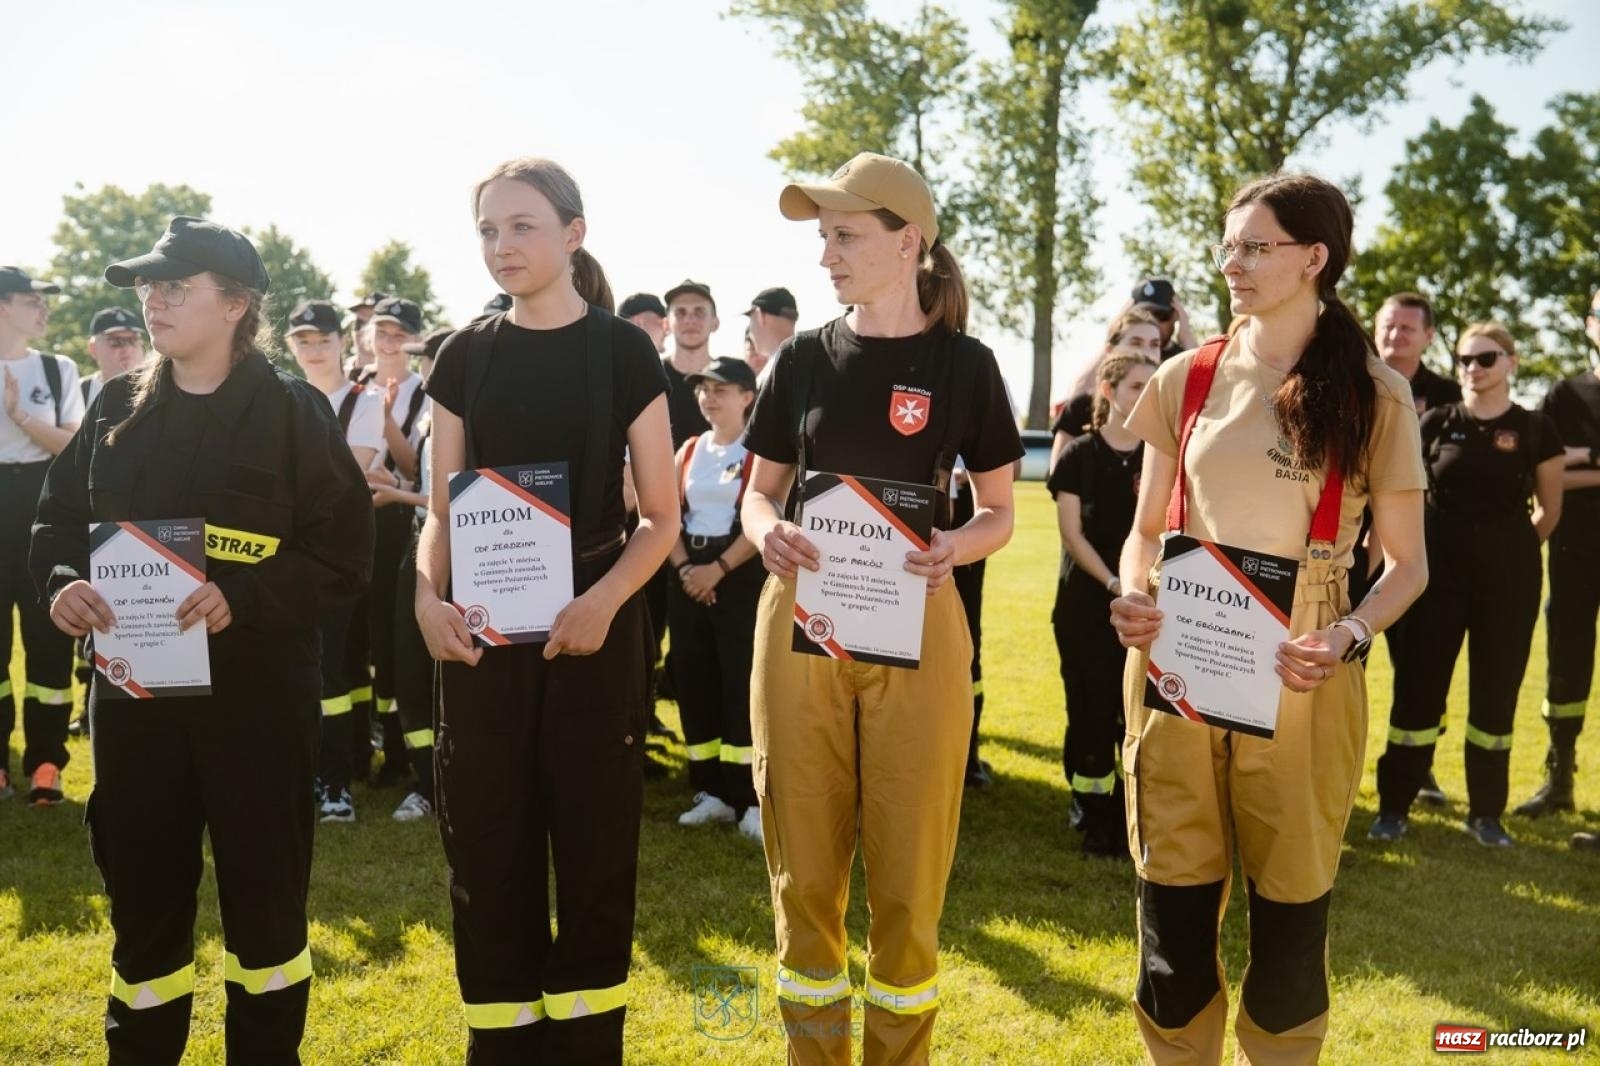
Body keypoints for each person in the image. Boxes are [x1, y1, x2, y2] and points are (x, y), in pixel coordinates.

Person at [31, 217, 373, 1063]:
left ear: (237, 305)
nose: (152, 301)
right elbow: (58, 521)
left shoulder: (295, 414)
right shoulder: (115, 405)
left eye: (174, 287)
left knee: (265, 912)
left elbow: (344, 552)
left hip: (257, 706)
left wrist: (246, 596)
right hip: (137, 707)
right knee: (144, 907)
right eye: (147, 287)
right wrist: (63, 584)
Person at [1110, 173, 1427, 1064]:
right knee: (1171, 923)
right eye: (1227, 245)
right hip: (1179, 661)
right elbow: (1143, 532)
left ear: (1313, 258)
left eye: (1255, 246)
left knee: (1288, 930)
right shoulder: (1189, 375)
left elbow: (1407, 567)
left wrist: (1349, 634)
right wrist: (1136, 593)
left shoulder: (1375, 392)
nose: (1232, 263)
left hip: (1304, 668)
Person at [742, 151, 1021, 1064]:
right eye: (823, 236)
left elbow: (1000, 514)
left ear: (908, 243)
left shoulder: (967, 366)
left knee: (908, 881)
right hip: (801, 623)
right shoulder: (801, 360)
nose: (827, 254)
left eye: (845, 235)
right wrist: (765, 531)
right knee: (805, 878)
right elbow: (758, 491)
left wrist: (955, 545)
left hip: (920, 624)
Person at [415, 157, 676, 1063]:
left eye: (522, 226)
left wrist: (603, 603)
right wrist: (422, 595)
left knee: (596, 857)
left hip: (593, 643)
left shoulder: (622, 351)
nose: (501, 246)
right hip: (483, 651)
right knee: (488, 857)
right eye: (488, 229)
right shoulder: (463, 353)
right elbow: (442, 514)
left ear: (574, 234)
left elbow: (661, 517)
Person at [1372, 324, 1564, 847]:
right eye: (1463, 360)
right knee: (1418, 686)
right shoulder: (1435, 421)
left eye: (1485, 358)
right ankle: (1393, 807)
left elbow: (1550, 509)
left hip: (1509, 579)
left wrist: (1511, 550)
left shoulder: (1534, 428)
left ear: (1511, 362)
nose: (1472, 369)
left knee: (1495, 693)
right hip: (1437, 578)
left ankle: (1485, 815)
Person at [1357, 291, 1464, 803]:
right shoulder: (1353, 380)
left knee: (1418, 665)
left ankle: (1418, 767)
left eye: (1405, 329)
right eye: (1387, 326)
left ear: (1428, 336)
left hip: (1417, 550)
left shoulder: (1448, 395)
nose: (1394, 336)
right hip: (1350, 543)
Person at [284, 298, 387, 823]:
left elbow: (355, 473)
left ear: (343, 342)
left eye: (322, 339)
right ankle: (298, 773)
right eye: (302, 340)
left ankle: (335, 781)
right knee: (290, 670)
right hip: (283, 554)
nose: (313, 349)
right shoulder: (280, 398)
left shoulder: (364, 399)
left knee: (332, 672)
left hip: (338, 554)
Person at [1049, 351, 1154, 856]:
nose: (1147, 394)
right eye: (1137, 386)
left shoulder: (1163, 456)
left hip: (1144, 609)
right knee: (1090, 711)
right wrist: (1117, 583)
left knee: (1132, 713)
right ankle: (1093, 816)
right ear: (1109, 393)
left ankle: (1132, 814)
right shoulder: (1079, 456)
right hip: (1088, 606)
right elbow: (1073, 535)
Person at [666, 356, 764, 841]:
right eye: (703, 388)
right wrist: (687, 569)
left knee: (740, 685)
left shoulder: (760, 452)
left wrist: (717, 570)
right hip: (689, 580)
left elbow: (764, 519)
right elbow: (663, 514)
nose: (709, 396)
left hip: (740, 578)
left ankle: (749, 797)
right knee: (694, 680)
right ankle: (710, 792)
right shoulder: (687, 450)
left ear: (747, 397)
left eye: (721, 388)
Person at [0, 265, 82, 805]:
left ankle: (47, 763)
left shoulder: (57, 369)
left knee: (49, 641)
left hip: (40, 509)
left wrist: (19, 414)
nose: (44, 310)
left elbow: (71, 450)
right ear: (3, 306)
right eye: (33, 300)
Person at [1518, 286, 1600, 820]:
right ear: (1590, 324)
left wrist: (1582, 465)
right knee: (1566, 665)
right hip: (1575, 554)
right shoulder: (1565, 396)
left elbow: (1565, 474)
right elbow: (1539, 478)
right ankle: (1559, 777)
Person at [376, 325, 450, 823]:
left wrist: (399, 495)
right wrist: (398, 482)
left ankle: (447, 781)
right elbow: (424, 481)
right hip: (418, 544)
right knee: (409, 666)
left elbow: (455, 500)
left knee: (442, 671)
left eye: (430, 358)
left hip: (453, 553)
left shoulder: (468, 416)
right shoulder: (429, 415)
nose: (423, 368)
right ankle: (426, 780)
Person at [364, 295, 429, 790]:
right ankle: (361, 739)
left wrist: (384, 419)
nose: (387, 342)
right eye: (380, 332)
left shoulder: (425, 390)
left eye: (397, 334)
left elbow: (413, 470)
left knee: (392, 637)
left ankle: (397, 747)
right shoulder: (352, 383)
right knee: (357, 636)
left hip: (398, 522)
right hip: (354, 520)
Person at [1048, 306, 1162, 470]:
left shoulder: (1168, 408)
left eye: (1155, 344)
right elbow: (1058, 474)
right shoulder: (1081, 407)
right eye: (1135, 342)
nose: (1147, 352)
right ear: (1110, 350)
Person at [82, 306, 149, 406]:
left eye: (133, 340)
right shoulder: (77, 392)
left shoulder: (159, 389)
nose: (127, 348)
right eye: (116, 341)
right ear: (93, 348)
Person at [1130, 277, 1199, 362]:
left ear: (1176, 315)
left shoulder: (1186, 357)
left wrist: (1188, 340)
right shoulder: (1125, 357)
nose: (1153, 323)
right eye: (1144, 316)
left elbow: (1203, 372)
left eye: (1161, 315)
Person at [744, 285, 798, 382]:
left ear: (760, 315)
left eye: (751, 320)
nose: (751, 332)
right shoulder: (811, 360)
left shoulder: (771, 373)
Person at [343, 290, 389, 381]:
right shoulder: (336, 375)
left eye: (372, 325)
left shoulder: (401, 380)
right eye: (358, 323)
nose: (362, 330)